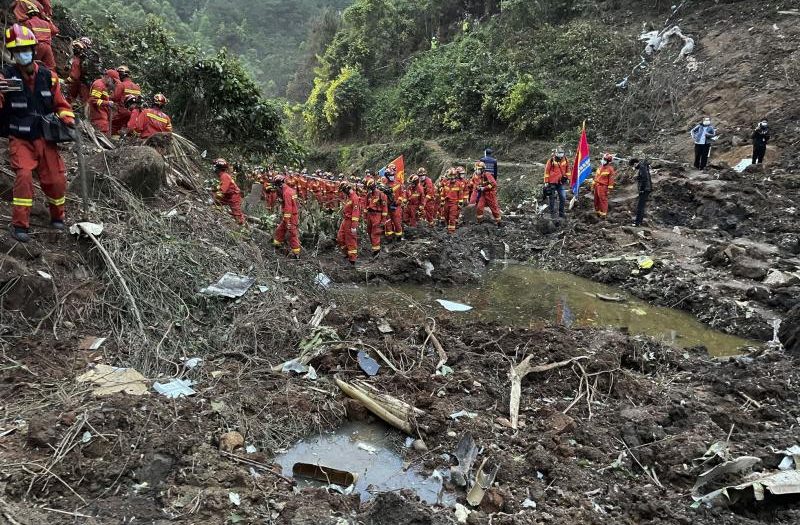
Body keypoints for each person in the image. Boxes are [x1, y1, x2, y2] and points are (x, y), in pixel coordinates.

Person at [0, 24, 75, 243]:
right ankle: (19, 225)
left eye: (26, 49)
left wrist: (67, 119)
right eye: (17, 51)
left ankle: (57, 217)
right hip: (21, 139)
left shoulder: (48, 77)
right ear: (12, 54)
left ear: (33, 49)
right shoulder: (6, 77)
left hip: (46, 137)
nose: (22, 54)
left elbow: (62, 104)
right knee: (23, 176)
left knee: (56, 180)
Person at [272, 175, 301, 258]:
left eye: (276, 187)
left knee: (292, 234)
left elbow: (288, 209)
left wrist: (287, 221)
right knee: (280, 230)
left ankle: (296, 254)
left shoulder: (287, 193)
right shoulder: (290, 190)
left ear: (279, 185)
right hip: (290, 216)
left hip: (291, 217)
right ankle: (276, 245)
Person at [21, 5, 58, 70]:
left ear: (29, 15)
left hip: (37, 47)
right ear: (38, 14)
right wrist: (49, 20)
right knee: (50, 67)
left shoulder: (28, 22)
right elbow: (55, 31)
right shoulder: (46, 23)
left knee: (33, 66)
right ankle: (52, 78)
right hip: (47, 47)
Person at [212, 158, 245, 226]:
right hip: (228, 195)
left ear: (218, 168)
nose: (214, 168)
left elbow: (222, 190)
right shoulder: (223, 175)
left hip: (234, 196)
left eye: (215, 166)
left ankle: (243, 227)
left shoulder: (224, 176)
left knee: (237, 214)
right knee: (216, 203)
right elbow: (222, 187)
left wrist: (216, 195)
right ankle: (215, 216)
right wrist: (214, 189)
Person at [111, 66, 142, 136]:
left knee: (113, 129)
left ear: (121, 75)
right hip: (133, 114)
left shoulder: (121, 85)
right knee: (128, 131)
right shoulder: (137, 87)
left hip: (121, 112)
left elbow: (115, 98)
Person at [336, 182, 361, 264]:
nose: (343, 192)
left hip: (351, 221)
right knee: (340, 237)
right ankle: (347, 253)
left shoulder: (355, 198)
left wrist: (354, 226)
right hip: (345, 220)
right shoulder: (349, 198)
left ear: (347, 188)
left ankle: (352, 260)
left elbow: (356, 213)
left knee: (351, 240)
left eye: (343, 190)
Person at [88, 69, 118, 136]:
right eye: (113, 81)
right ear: (108, 78)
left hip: (102, 117)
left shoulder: (104, 86)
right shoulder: (99, 85)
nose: (113, 84)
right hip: (98, 118)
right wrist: (108, 103)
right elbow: (93, 100)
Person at [364, 178, 388, 257]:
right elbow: (365, 206)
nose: (370, 190)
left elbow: (384, 208)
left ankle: (376, 251)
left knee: (375, 233)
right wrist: (365, 217)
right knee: (369, 232)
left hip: (377, 215)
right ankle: (374, 248)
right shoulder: (369, 195)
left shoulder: (381, 194)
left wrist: (383, 220)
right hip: (370, 215)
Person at [544, 147, 570, 219]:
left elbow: (568, 169)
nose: (561, 154)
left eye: (562, 153)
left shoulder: (565, 160)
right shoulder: (551, 160)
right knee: (552, 198)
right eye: (559, 153)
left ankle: (561, 213)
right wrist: (546, 181)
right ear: (556, 153)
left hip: (561, 182)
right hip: (552, 182)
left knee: (563, 197)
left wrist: (568, 178)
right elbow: (547, 171)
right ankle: (552, 213)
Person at [380, 164, 404, 241]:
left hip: (396, 206)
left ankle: (399, 236)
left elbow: (402, 194)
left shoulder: (397, 183)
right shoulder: (384, 184)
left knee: (397, 221)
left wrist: (398, 202)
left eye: (392, 174)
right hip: (387, 206)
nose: (392, 176)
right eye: (390, 175)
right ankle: (389, 237)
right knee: (387, 222)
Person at [66, 37, 92, 104]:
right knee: (85, 102)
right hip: (87, 83)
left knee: (71, 98)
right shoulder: (88, 58)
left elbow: (74, 76)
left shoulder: (77, 60)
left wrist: (65, 82)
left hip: (80, 83)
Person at [441, 169, 466, 234]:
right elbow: (443, 193)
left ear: (455, 176)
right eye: (451, 176)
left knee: (452, 216)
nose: (452, 177)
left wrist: (460, 203)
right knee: (446, 216)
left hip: (454, 203)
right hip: (446, 202)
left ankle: (451, 231)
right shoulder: (446, 183)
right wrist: (442, 201)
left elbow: (460, 194)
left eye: (453, 175)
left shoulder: (459, 184)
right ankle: (448, 227)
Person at [591, 153, 616, 218]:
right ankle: (598, 212)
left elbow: (611, 180)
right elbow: (596, 177)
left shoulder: (610, 169)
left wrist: (609, 190)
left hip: (603, 187)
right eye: (603, 159)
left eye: (604, 159)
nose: (602, 160)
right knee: (596, 199)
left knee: (603, 200)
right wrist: (593, 185)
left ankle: (603, 213)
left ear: (608, 161)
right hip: (597, 186)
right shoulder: (600, 168)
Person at [629, 158, 652, 227]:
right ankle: (639, 222)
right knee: (641, 206)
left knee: (640, 207)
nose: (633, 167)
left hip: (645, 189)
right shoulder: (644, 166)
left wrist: (642, 189)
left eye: (633, 166)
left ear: (635, 163)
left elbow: (644, 178)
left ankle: (637, 223)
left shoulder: (642, 167)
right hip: (647, 188)